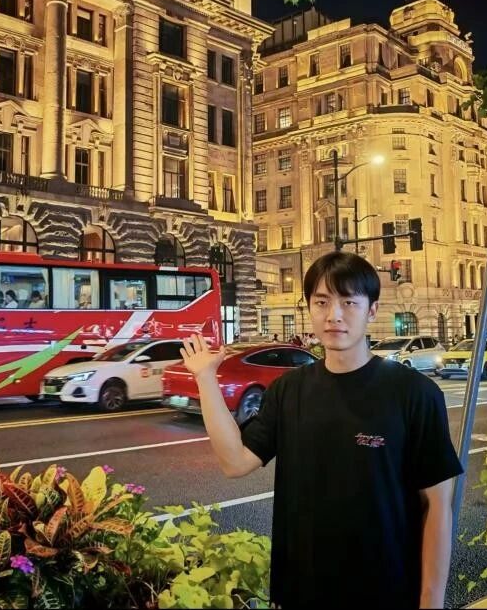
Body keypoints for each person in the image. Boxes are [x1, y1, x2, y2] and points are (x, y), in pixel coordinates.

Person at [180, 251, 463, 610]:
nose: (334, 315)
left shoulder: (414, 393)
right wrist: (206, 378)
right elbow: (235, 462)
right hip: (301, 590)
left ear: (372, 311)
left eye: (349, 302)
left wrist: (430, 601)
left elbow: (437, 506)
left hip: (387, 592)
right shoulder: (289, 390)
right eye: (322, 302)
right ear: (309, 307)